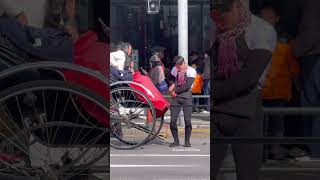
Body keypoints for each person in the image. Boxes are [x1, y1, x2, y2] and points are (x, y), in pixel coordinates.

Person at [210, 0, 277, 179]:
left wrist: (212, 92)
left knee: (248, 173)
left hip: (246, 110)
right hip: (218, 111)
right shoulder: (218, 29)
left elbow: (248, 78)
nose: (220, 16)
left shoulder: (261, 30)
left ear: (238, 6)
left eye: (224, 11)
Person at [259, 4, 300, 161]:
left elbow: (294, 70)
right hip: (263, 93)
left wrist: (297, 85)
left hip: (278, 93)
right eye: (263, 18)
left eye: (269, 18)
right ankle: (265, 153)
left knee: (276, 125)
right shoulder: (256, 43)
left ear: (277, 19)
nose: (266, 21)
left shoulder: (285, 46)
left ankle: (271, 152)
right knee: (267, 126)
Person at [292, 0, 320, 159]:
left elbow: (310, 33)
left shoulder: (313, 5)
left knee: (312, 106)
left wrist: (294, 49)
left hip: (314, 57)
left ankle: (315, 152)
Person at [168, 56, 196, 147]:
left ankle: (187, 141)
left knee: (187, 120)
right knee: (173, 120)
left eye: (179, 66)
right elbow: (170, 78)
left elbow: (187, 86)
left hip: (186, 96)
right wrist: (172, 84)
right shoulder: (174, 69)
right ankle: (176, 140)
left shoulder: (191, 71)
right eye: (176, 66)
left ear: (183, 63)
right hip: (176, 97)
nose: (177, 68)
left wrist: (175, 91)